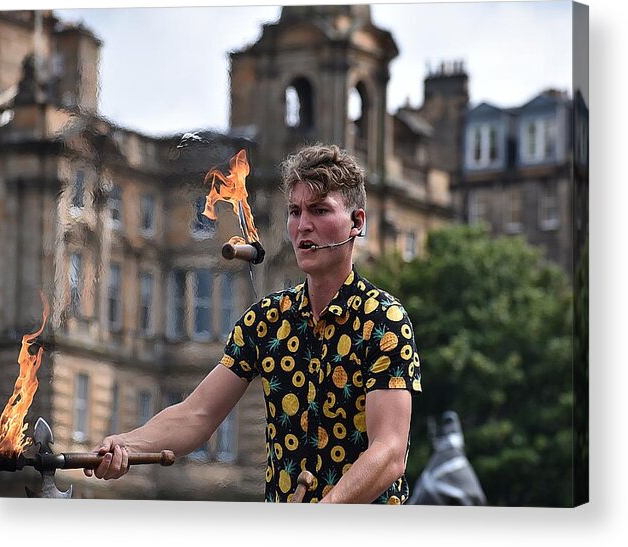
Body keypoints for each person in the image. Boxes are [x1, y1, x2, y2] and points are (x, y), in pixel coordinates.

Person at [86, 143, 422, 503]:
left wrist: (321, 519)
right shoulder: (267, 320)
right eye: (295, 211)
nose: (303, 225)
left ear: (357, 222)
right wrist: (125, 444)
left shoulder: (384, 320)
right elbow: (196, 415)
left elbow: (388, 453)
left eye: (320, 210)